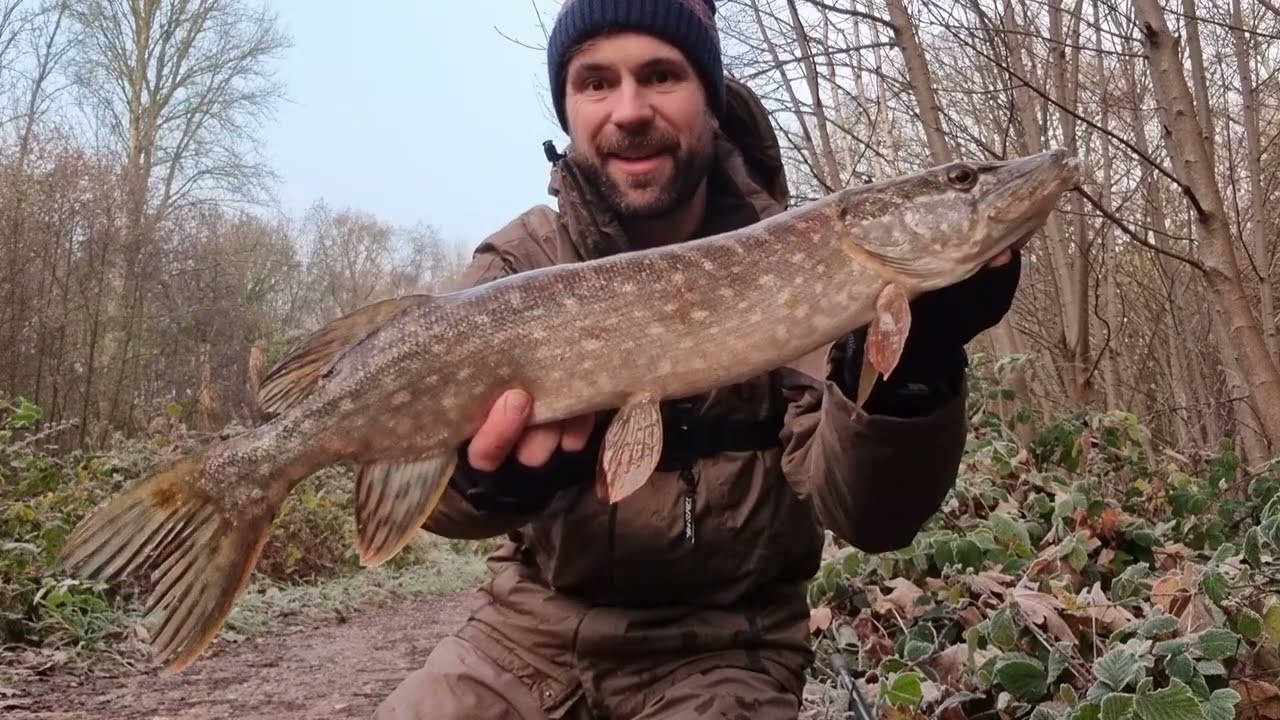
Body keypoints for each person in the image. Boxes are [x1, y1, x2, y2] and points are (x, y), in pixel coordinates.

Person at [375, 0, 1021, 717]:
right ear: (567, 106)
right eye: (595, 82)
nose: (628, 110)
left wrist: (913, 376)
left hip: (725, 649)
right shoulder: (520, 263)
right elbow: (422, 493)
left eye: (661, 75)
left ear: (711, 100)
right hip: (528, 633)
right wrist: (489, 485)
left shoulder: (806, 266)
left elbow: (871, 517)